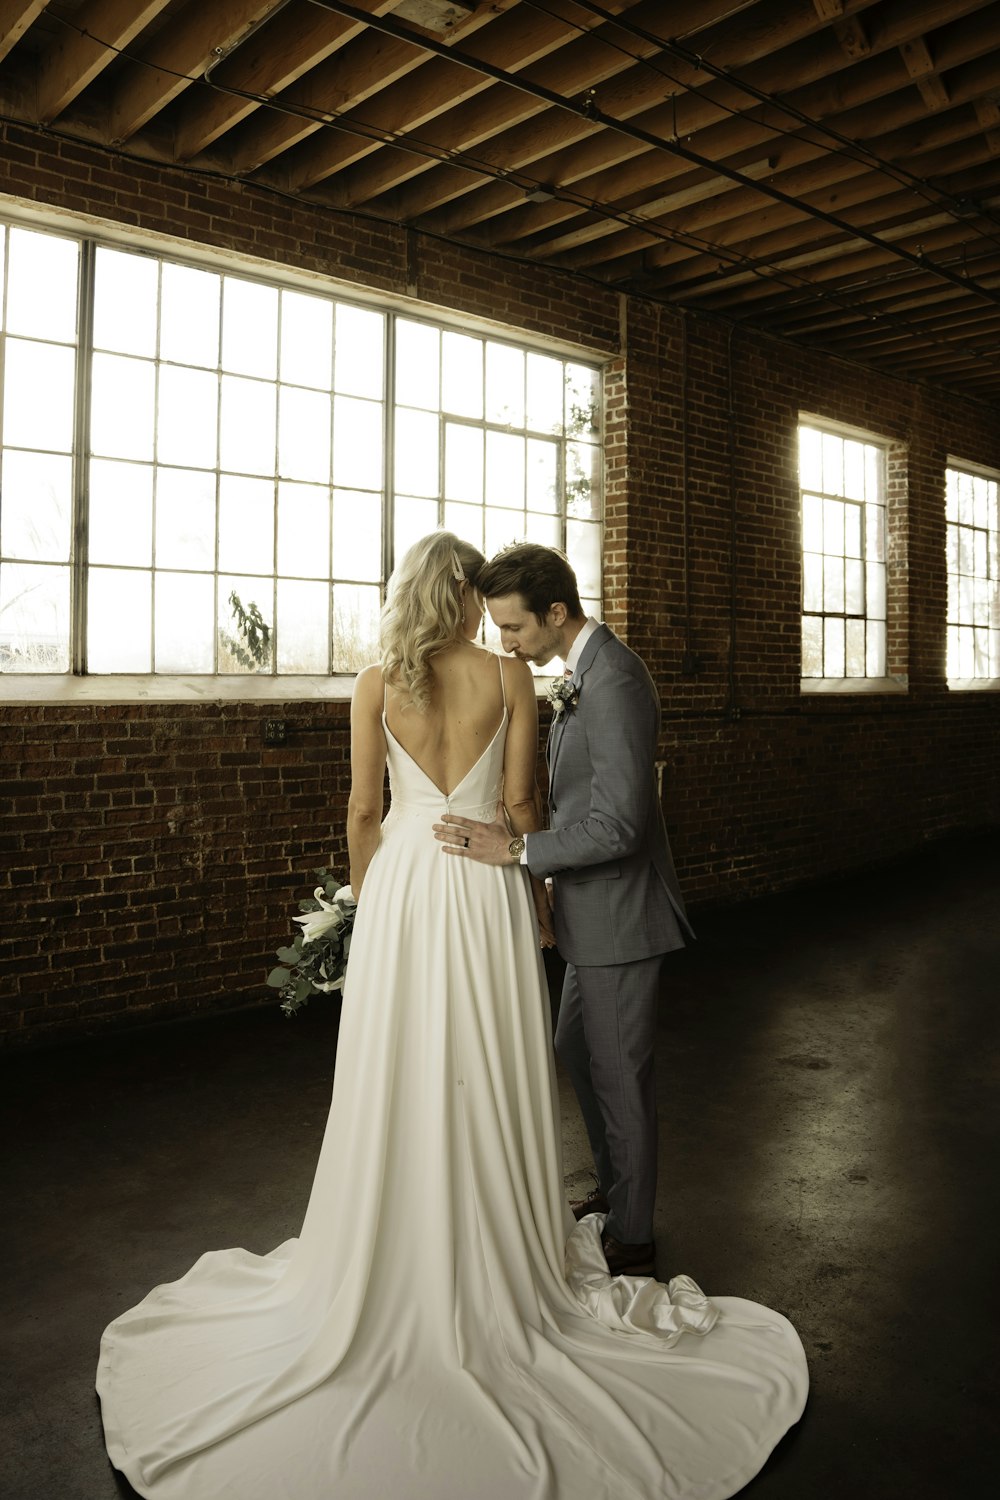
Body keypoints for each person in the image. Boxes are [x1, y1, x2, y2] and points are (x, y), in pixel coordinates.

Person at [97, 531, 807, 1500]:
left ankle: (399, 1240)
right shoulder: (510, 682)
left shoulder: (372, 683)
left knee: (399, 1071)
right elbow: (517, 804)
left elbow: (361, 809)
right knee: (494, 1060)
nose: (491, 616)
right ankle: (505, 1241)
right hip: (480, 892)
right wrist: (541, 901)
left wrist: (366, 909)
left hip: (400, 892)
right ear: (466, 598)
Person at [434, 542, 691, 1279]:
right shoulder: (582, 672)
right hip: (589, 914)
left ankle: (633, 1237)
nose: (504, 644)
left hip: (619, 918)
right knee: (579, 1051)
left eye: (513, 629)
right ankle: (617, 1195)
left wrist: (516, 853)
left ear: (555, 613)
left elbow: (619, 826)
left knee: (619, 1077)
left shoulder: (611, 681)